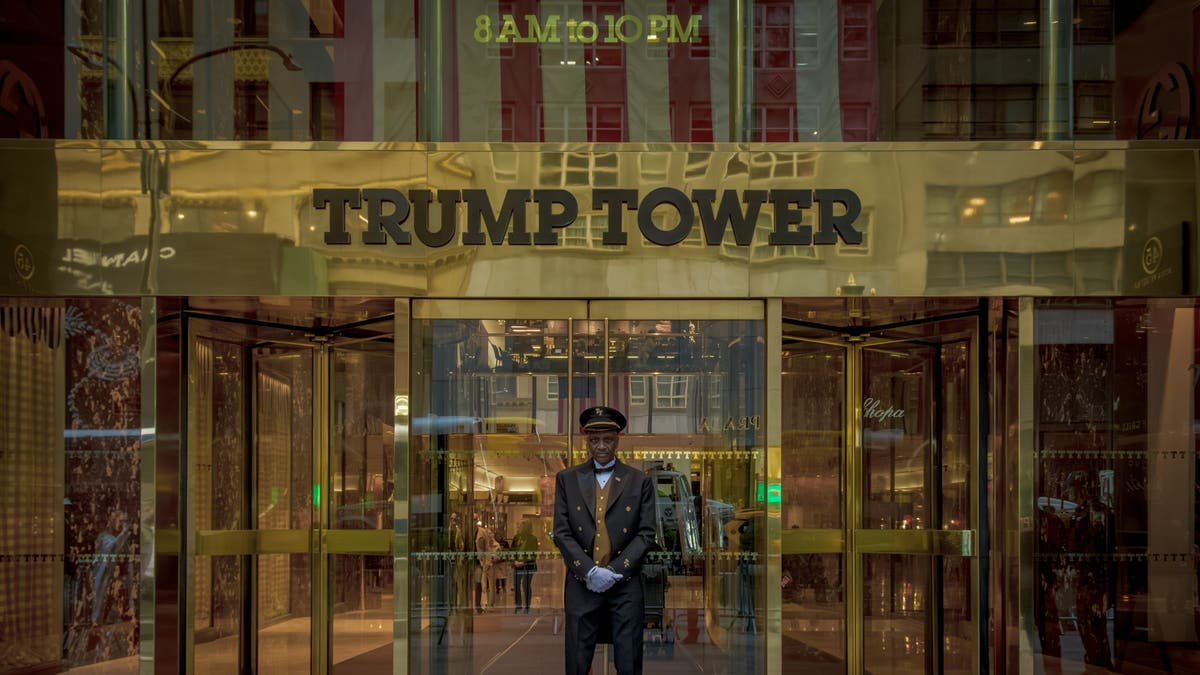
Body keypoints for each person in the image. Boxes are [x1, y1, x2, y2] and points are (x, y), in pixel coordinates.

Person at [553, 406, 657, 675]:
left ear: (617, 440)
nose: (601, 446)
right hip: (581, 581)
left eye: (608, 439)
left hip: (625, 583)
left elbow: (646, 533)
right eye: (594, 440)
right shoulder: (567, 479)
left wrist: (614, 570)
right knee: (577, 659)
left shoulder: (639, 481)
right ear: (586, 441)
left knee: (629, 657)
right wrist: (588, 570)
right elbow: (562, 532)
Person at [511, 519, 540, 613]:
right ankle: (518, 605)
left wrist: (524, 562)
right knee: (516, 585)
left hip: (528, 565)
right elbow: (511, 551)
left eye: (521, 525)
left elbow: (533, 553)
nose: (519, 527)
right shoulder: (516, 538)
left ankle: (527, 606)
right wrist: (514, 561)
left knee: (526, 585)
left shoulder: (533, 539)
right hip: (517, 564)